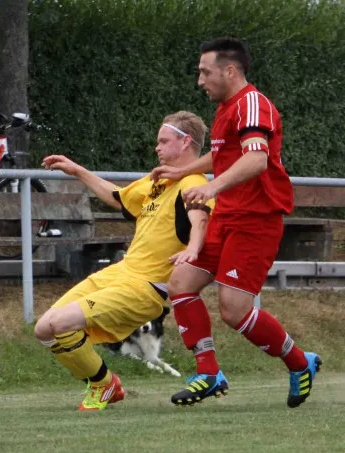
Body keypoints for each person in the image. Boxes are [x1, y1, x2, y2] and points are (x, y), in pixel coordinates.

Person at [151, 38, 321, 408]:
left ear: (230, 70)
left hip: (256, 220)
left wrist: (210, 187)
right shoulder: (227, 108)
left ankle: (300, 362)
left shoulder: (251, 103)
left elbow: (256, 160)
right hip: (228, 215)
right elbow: (224, 155)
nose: (200, 80)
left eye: (205, 72)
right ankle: (209, 373)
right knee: (181, 283)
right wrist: (181, 171)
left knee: (234, 310)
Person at [35, 111, 214, 412]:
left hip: (144, 288)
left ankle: (101, 387)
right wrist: (77, 170)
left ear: (185, 142)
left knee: (59, 324)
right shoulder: (159, 180)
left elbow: (200, 219)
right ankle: (106, 384)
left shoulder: (193, 182)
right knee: (44, 329)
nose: (157, 147)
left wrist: (193, 248)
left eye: (163, 141)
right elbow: (118, 197)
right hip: (120, 273)